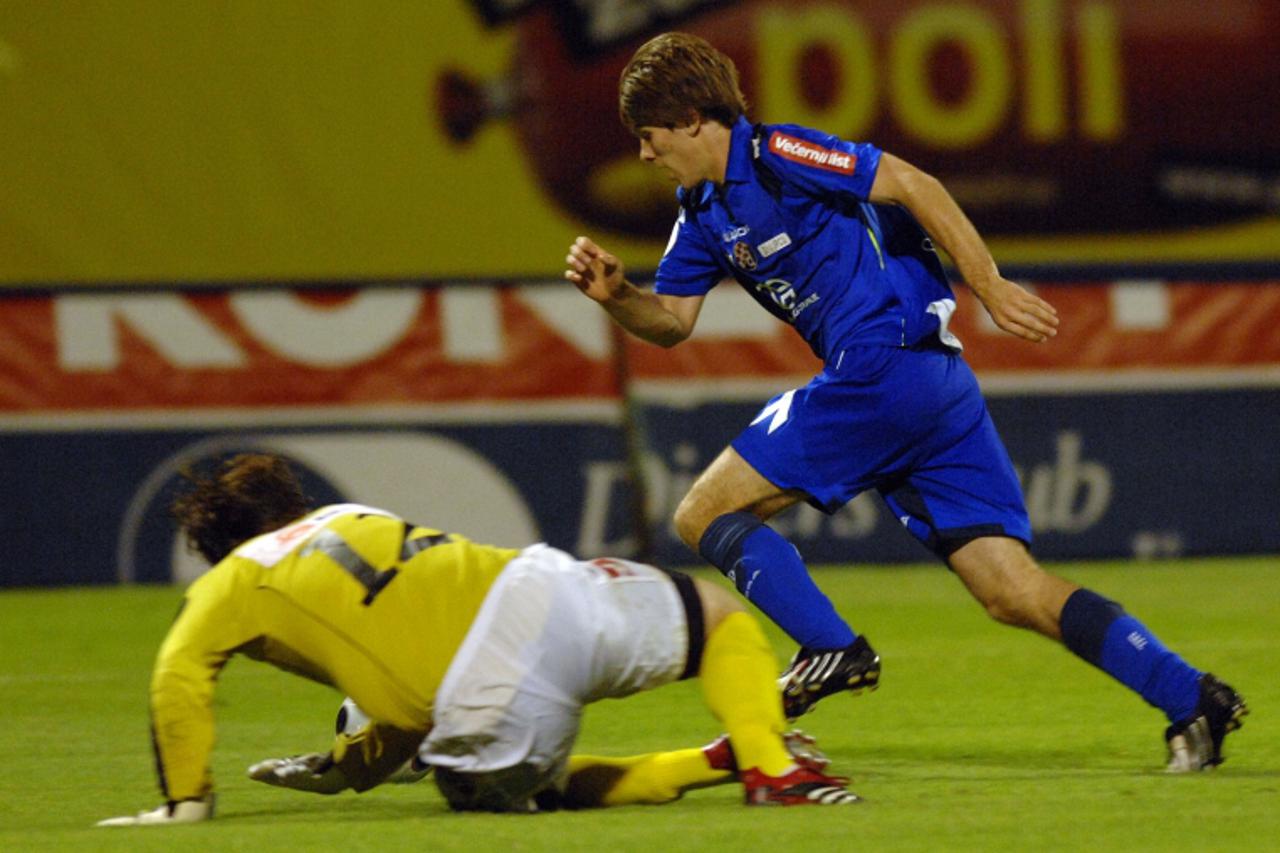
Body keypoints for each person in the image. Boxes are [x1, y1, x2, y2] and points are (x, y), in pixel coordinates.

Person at [563, 32, 1246, 771]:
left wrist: (989, 285)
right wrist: (620, 295)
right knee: (1010, 588)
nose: (643, 153)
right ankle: (1193, 697)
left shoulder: (779, 154)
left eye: (650, 135)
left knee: (702, 512)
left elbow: (915, 184)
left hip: (883, 368)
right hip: (929, 389)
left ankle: (833, 649)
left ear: (695, 119)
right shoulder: (699, 211)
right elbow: (672, 322)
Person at [97, 454, 858, 827]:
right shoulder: (350, 514)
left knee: (520, 786)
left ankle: (711, 767)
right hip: (544, 585)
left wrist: (186, 799)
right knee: (718, 616)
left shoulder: (233, 582)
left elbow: (177, 675)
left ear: (220, 546)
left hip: (485, 693)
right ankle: (766, 762)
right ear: (293, 504)